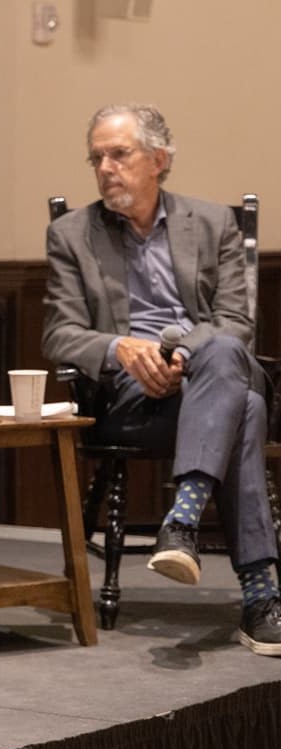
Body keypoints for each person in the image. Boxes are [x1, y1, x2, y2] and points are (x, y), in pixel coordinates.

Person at [42, 103, 281, 655]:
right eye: (96, 157)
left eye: (119, 154)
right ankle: (261, 596)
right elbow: (59, 334)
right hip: (132, 399)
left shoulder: (215, 224)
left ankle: (184, 515)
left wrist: (177, 357)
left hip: (206, 373)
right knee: (245, 409)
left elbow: (238, 324)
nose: (105, 167)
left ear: (159, 160)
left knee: (221, 351)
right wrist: (120, 348)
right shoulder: (72, 234)